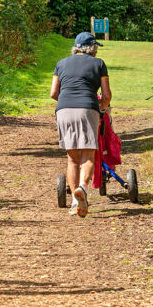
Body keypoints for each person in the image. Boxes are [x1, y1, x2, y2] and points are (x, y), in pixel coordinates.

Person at [51, 32, 112, 217]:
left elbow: (54, 92)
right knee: (88, 153)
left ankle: (75, 202)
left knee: (72, 158)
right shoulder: (99, 63)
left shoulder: (61, 63)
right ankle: (83, 188)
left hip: (63, 109)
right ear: (92, 47)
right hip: (87, 108)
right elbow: (107, 95)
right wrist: (102, 107)